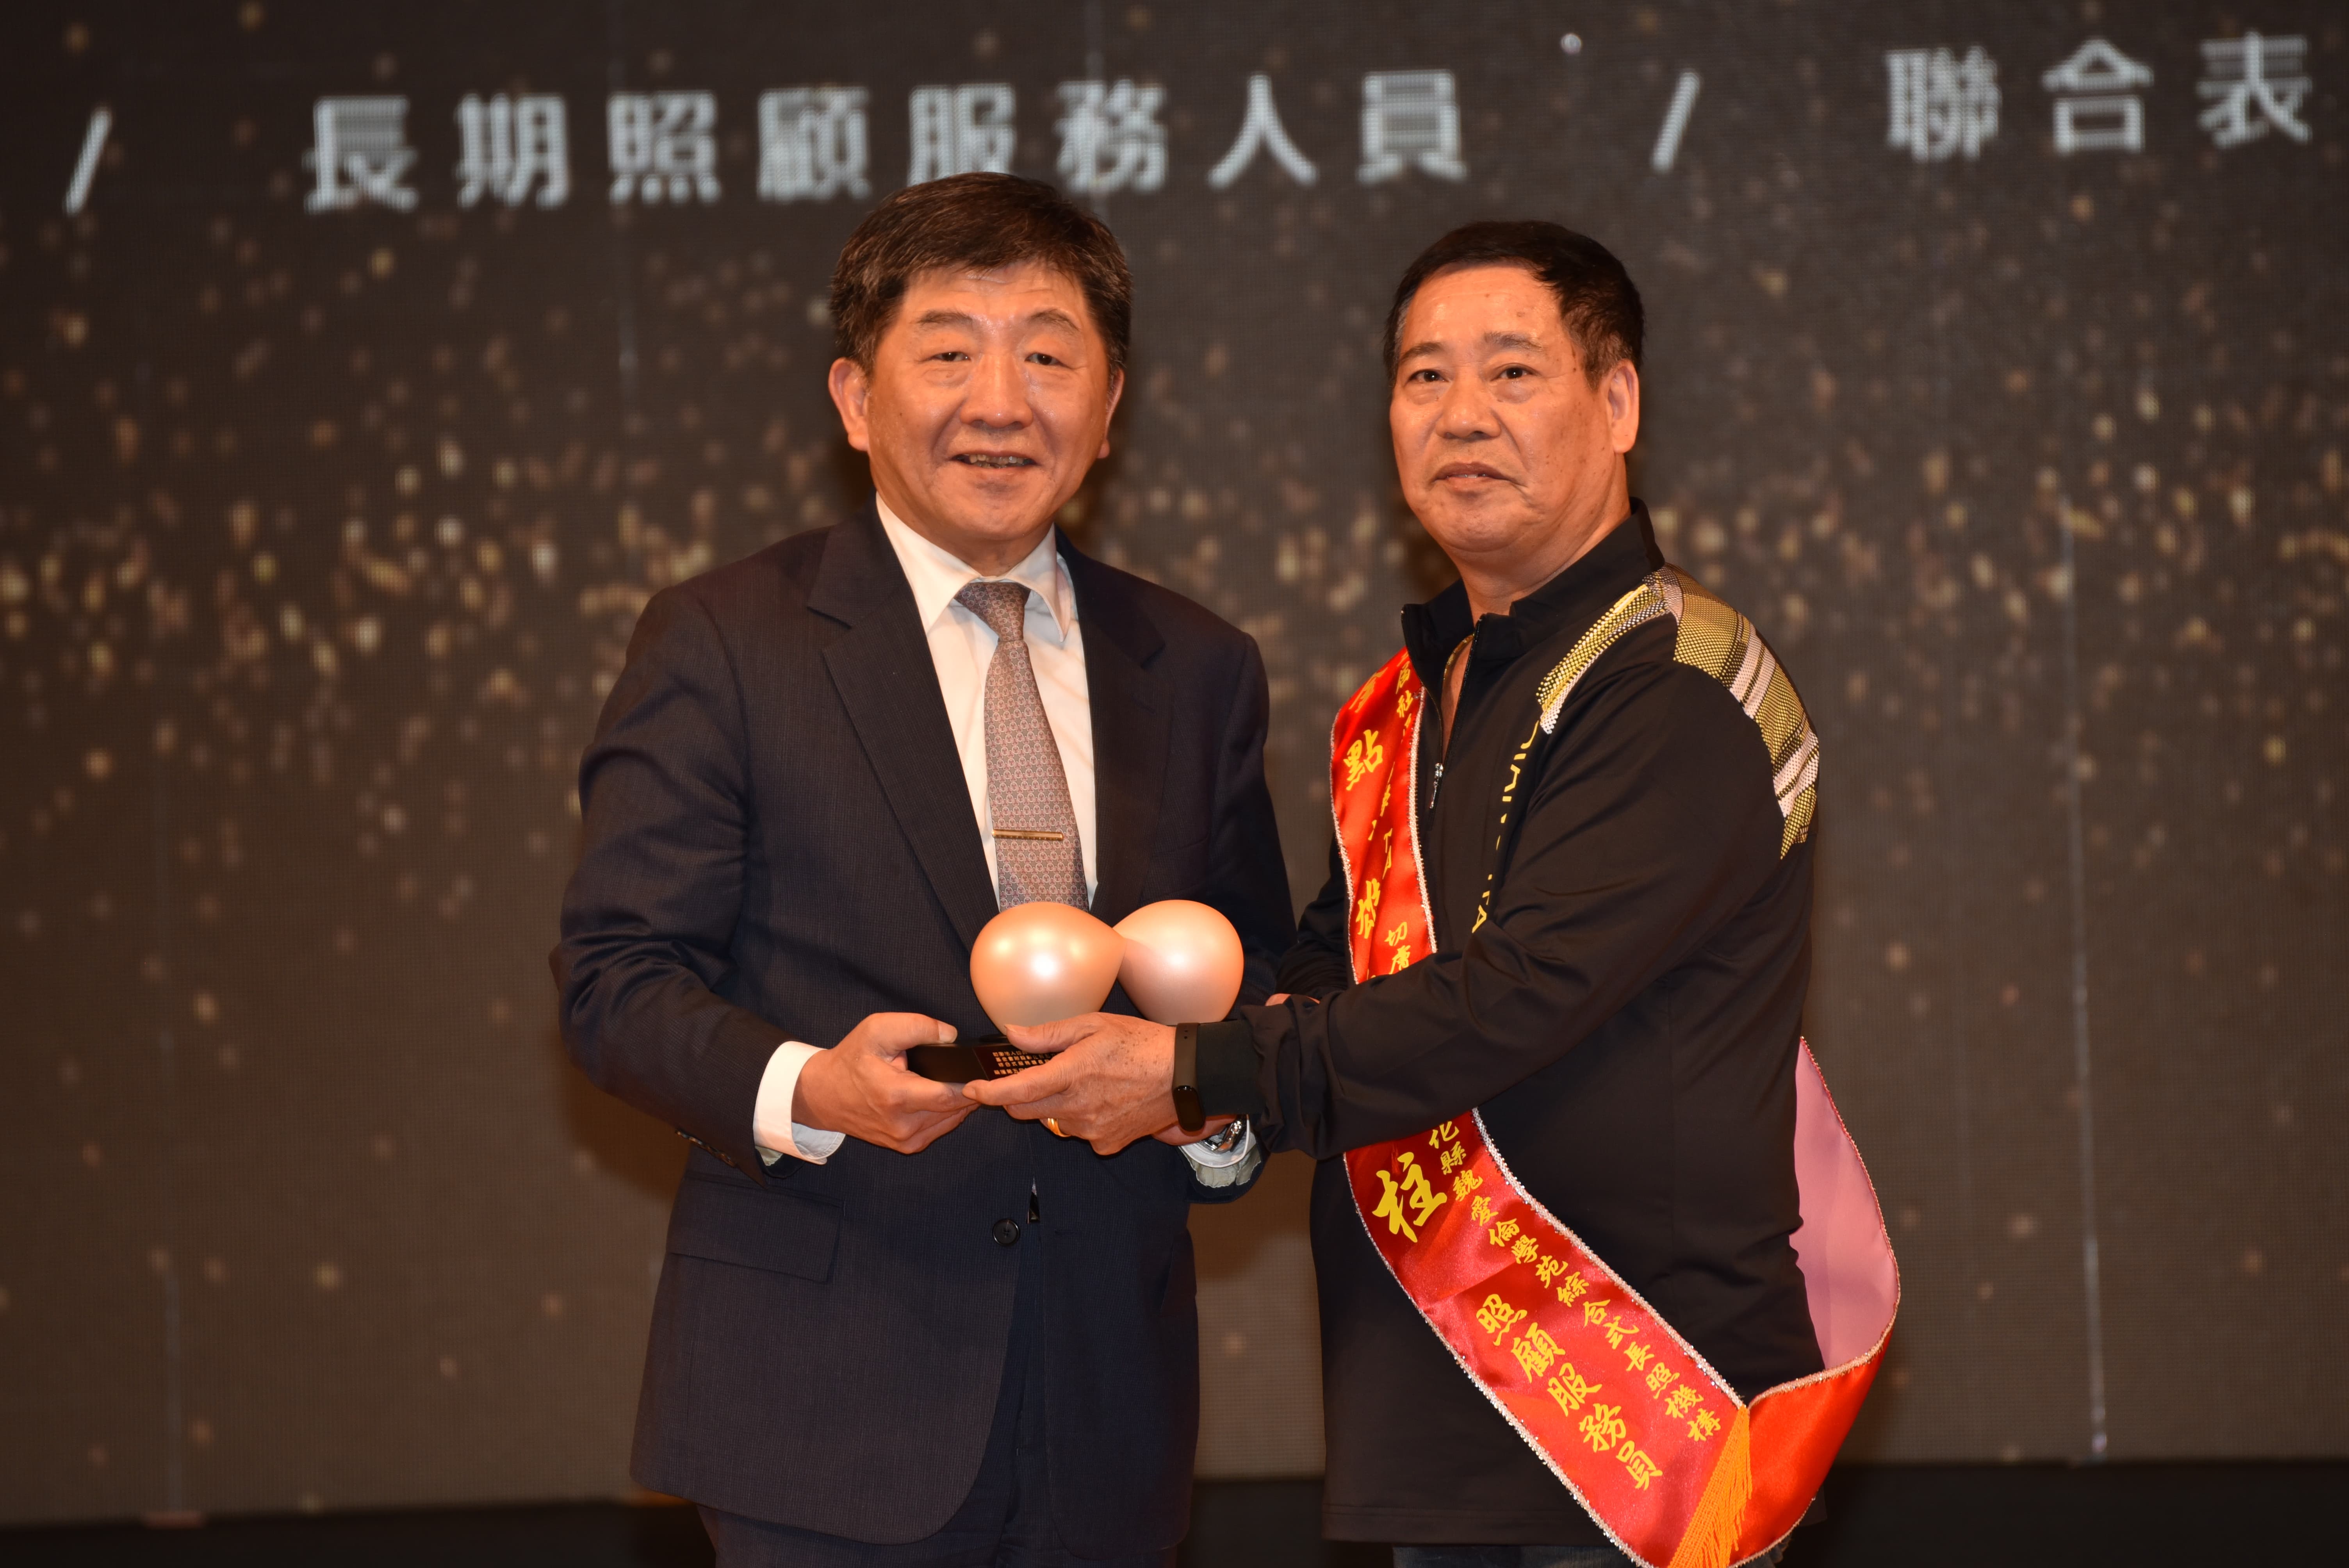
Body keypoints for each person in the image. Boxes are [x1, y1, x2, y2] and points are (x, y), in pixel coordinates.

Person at [972, 223, 1888, 1567]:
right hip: (1440, 1417)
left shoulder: (1676, 685)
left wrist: (1197, 1071)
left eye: (1512, 372)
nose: (1462, 415)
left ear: (1618, 402)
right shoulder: (1406, 706)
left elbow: (1522, 997)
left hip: (1645, 1418)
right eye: (1423, 378)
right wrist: (1198, 1068)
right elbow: (1332, 969)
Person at [552, 172, 1292, 1568]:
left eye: (1049, 357)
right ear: (855, 398)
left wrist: (1207, 1114)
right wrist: (810, 1088)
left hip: (1108, 1411)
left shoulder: (1197, 667)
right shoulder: (728, 640)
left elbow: (1247, 975)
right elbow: (615, 982)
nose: (1001, 403)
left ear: (1111, 405)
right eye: (949, 352)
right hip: (823, 1400)